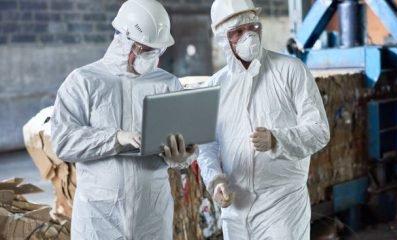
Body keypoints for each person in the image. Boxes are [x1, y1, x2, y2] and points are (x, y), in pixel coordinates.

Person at [51, 0, 197, 239]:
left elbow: (184, 141)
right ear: (124, 41)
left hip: (152, 215)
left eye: (157, 51)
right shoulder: (83, 81)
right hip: (99, 218)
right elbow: (64, 141)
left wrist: (182, 156)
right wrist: (117, 138)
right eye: (146, 49)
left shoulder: (167, 83)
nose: (153, 57)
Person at [197, 0, 330, 239]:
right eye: (238, 32)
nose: (248, 36)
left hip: (282, 206)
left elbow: (319, 130)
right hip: (235, 207)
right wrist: (215, 179)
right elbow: (207, 146)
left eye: (252, 28)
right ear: (222, 39)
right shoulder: (215, 86)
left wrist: (277, 140)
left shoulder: (291, 70)